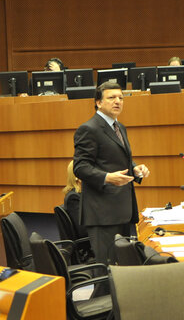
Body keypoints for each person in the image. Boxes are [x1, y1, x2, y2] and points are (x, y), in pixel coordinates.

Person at [73, 80, 150, 264]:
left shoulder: (119, 126)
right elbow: (80, 167)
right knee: (107, 272)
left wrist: (135, 169)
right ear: (98, 102)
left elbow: (116, 160)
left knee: (121, 269)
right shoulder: (89, 128)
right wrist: (107, 178)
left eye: (121, 98)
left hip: (122, 209)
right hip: (103, 212)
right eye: (111, 98)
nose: (118, 101)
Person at [62, 161, 88, 238]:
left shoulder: (84, 195)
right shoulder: (73, 198)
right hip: (88, 243)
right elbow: (83, 231)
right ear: (78, 177)